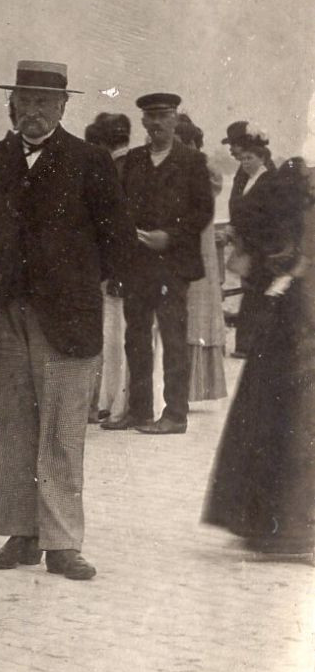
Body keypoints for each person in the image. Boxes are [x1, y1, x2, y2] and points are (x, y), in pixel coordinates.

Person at [0, 61, 132, 583]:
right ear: (12, 104)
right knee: (16, 425)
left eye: (46, 102)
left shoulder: (89, 161)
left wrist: (82, 282)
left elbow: (117, 239)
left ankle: (63, 544)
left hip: (68, 319)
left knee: (63, 430)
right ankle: (21, 535)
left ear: (64, 107)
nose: (35, 111)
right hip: (6, 315)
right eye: (26, 100)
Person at [203, 157, 314, 554]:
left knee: (274, 407)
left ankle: (266, 521)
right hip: (301, 310)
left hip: (291, 305)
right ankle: (288, 526)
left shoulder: (296, 181)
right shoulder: (300, 185)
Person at [102, 92, 214, 435]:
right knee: (135, 337)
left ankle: (175, 414)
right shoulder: (134, 161)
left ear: (175, 118)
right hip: (136, 263)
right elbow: (116, 207)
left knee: (173, 337)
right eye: (150, 117)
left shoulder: (192, 161)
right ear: (142, 122)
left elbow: (202, 211)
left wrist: (171, 237)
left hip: (172, 264)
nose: (156, 123)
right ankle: (139, 411)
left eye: (164, 116)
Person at [176, 114, 229, 403]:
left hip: (197, 243)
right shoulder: (202, 170)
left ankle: (191, 385)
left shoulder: (201, 170)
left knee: (195, 307)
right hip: (198, 242)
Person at [84, 112, 134, 423]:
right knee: (120, 336)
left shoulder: (112, 168)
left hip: (114, 267)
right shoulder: (134, 163)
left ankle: (109, 401)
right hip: (128, 265)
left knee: (113, 336)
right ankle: (114, 400)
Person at [223, 121, 278, 357]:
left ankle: (251, 345)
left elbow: (268, 213)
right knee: (253, 292)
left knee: (257, 293)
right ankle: (248, 344)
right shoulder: (244, 173)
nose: (232, 152)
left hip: (260, 246)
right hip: (247, 243)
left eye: (234, 146)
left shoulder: (266, 176)